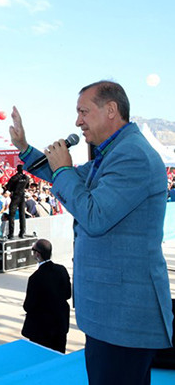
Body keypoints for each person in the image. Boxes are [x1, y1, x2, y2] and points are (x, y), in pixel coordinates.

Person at [9, 80, 173, 384]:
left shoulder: (131, 156)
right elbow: (68, 177)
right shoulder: (113, 153)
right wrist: (25, 148)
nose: (77, 121)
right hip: (110, 314)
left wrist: (62, 170)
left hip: (122, 316)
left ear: (110, 110)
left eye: (83, 111)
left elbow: (95, 216)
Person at [21, 239, 71, 353]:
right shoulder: (62, 270)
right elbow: (67, 294)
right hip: (60, 325)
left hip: (41, 330)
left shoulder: (35, 278)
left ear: (38, 254)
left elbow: (28, 306)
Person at [5, 164, 29, 239]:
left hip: (15, 197)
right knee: (22, 215)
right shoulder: (26, 178)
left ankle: (11, 234)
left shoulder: (14, 178)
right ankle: (22, 233)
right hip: (22, 197)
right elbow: (27, 187)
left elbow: (8, 188)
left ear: (17, 169)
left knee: (12, 215)